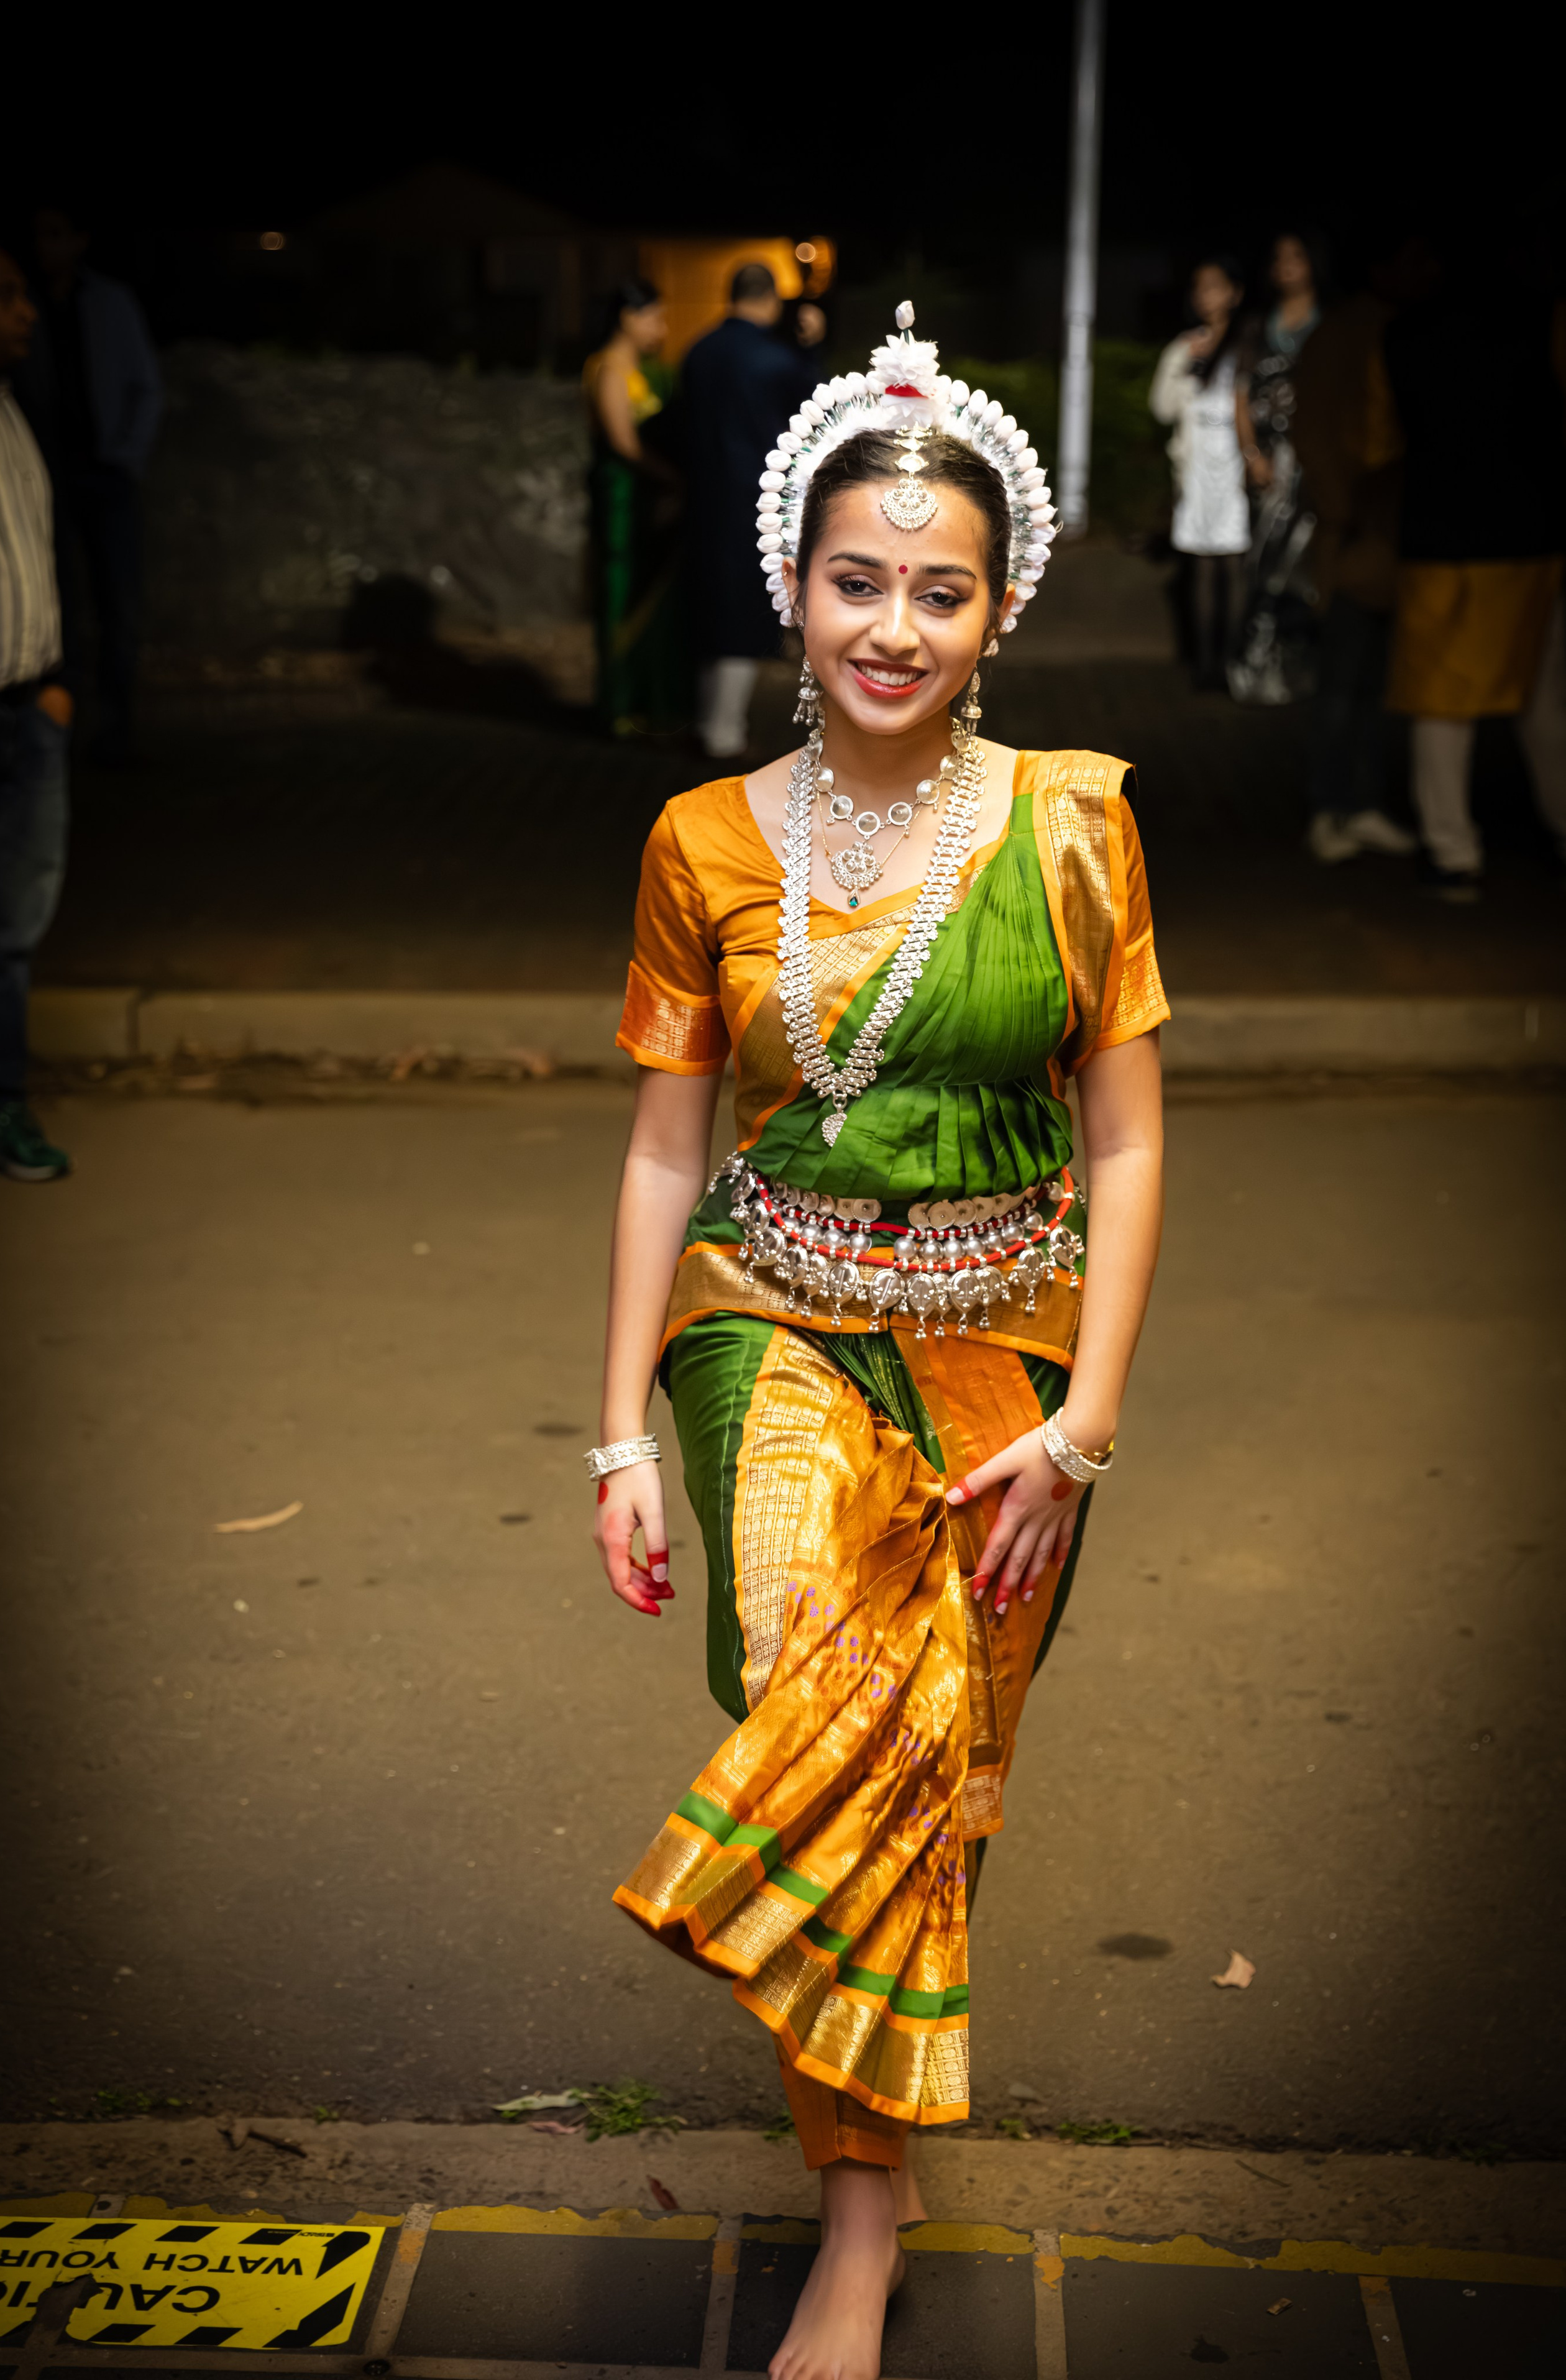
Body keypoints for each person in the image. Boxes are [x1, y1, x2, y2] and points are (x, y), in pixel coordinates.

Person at [592, 309, 1168, 2380]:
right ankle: (854, 2225)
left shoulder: (1082, 828)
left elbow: (1127, 1128)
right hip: (769, 1319)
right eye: (859, 581)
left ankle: (870, 2158)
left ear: (996, 607)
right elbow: (667, 1149)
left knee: (937, 1766)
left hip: (1009, 1351)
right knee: (813, 1671)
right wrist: (615, 1432)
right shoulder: (703, 844)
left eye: (939, 590)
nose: (893, 626)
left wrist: (1085, 1420)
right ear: (795, 582)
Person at [1383, 239, 1566, 900]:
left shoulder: (1402, 335)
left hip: (1440, 541)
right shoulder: (1540, 319)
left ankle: (1452, 851)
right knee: (1543, 703)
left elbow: (1374, 441)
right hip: (1532, 539)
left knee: (1441, 709)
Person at [0, 239, 73, 1194]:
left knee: (12, 926)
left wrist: (54, 680)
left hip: (24, 707)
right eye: (2, 297)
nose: (27, 311)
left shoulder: (16, 414)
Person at [1289, 239, 1422, 863]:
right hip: (1354, 539)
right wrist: (1346, 515)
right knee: (1342, 684)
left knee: (1372, 684)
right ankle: (1330, 807)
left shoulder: (1387, 328)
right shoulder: (1347, 336)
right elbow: (1316, 435)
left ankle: (1361, 805)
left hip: (1385, 537)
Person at [18, 207, 162, 766]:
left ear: (79, 241)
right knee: (57, 606)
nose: (45, 246)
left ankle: (117, 721)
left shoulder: (107, 303)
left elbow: (144, 385)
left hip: (104, 470)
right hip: (46, 476)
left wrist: (124, 457)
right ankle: (62, 722)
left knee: (117, 603)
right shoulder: (26, 304)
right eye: (39, 234)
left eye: (56, 234)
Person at [681, 261, 825, 761]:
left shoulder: (697, 352)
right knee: (743, 615)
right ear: (769, 299)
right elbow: (818, 409)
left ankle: (704, 722)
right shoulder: (776, 358)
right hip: (757, 506)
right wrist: (811, 345)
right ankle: (724, 734)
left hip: (700, 500)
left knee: (708, 610)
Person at [584, 278, 689, 736]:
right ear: (628, 317)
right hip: (623, 500)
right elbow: (623, 443)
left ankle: (648, 701)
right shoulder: (608, 368)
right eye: (655, 317)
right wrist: (674, 477)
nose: (661, 329)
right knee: (621, 593)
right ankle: (619, 704)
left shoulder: (647, 372)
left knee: (651, 598)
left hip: (647, 498)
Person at [1227, 232, 1325, 706]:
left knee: (1308, 566)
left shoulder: (1332, 323)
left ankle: (1303, 666)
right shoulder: (1257, 327)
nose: (1287, 265)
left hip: (1320, 464)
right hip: (1273, 466)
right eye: (1279, 257)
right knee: (1266, 562)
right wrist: (1251, 454)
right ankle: (1255, 666)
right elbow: (1241, 395)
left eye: (1297, 255)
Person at [1150, 257, 1249, 690]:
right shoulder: (1184, 346)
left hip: (1236, 465)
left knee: (1235, 565)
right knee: (1204, 566)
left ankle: (1235, 662)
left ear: (1234, 293)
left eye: (1215, 286)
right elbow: (1163, 407)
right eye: (1200, 288)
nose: (1206, 295)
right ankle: (1205, 666)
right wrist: (1184, 365)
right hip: (1197, 468)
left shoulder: (1249, 344)